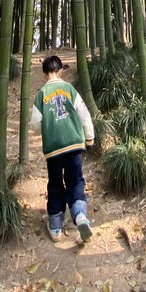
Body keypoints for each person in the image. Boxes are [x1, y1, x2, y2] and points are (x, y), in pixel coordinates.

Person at [30, 55, 94, 243]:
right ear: (60, 71)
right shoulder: (69, 89)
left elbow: (34, 123)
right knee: (75, 181)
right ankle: (80, 214)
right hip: (74, 144)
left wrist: (48, 125)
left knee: (55, 183)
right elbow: (84, 115)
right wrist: (89, 137)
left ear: (44, 74)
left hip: (53, 148)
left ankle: (56, 225)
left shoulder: (42, 94)